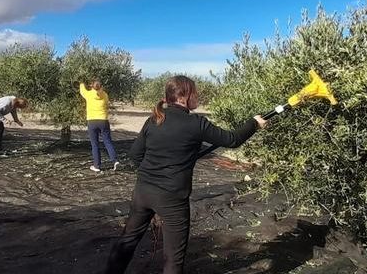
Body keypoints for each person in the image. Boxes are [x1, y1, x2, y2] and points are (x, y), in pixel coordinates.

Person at [105, 75, 267, 274]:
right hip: (172, 199)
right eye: (196, 93)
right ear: (185, 95)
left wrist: (156, 172)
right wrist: (254, 123)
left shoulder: (154, 119)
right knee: (173, 260)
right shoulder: (196, 123)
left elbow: (135, 155)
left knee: (127, 241)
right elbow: (232, 140)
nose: (198, 97)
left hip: (143, 192)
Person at [80, 80, 119, 172]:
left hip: (92, 121)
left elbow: (82, 90)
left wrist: (82, 82)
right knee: (108, 142)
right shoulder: (105, 95)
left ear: (92, 86)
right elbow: (105, 103)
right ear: (101, 86)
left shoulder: (88, 94)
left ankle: (97, 166)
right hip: (103, 121)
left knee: (95, 144)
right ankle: (115, 161)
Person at [0, 96, 28, 161]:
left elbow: (13, 110)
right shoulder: (7, 103)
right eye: (19, 107)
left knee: (0, 129)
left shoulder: (14, 102)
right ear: (17, 104)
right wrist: (5, 120)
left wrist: (17, 120)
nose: (19, 108)